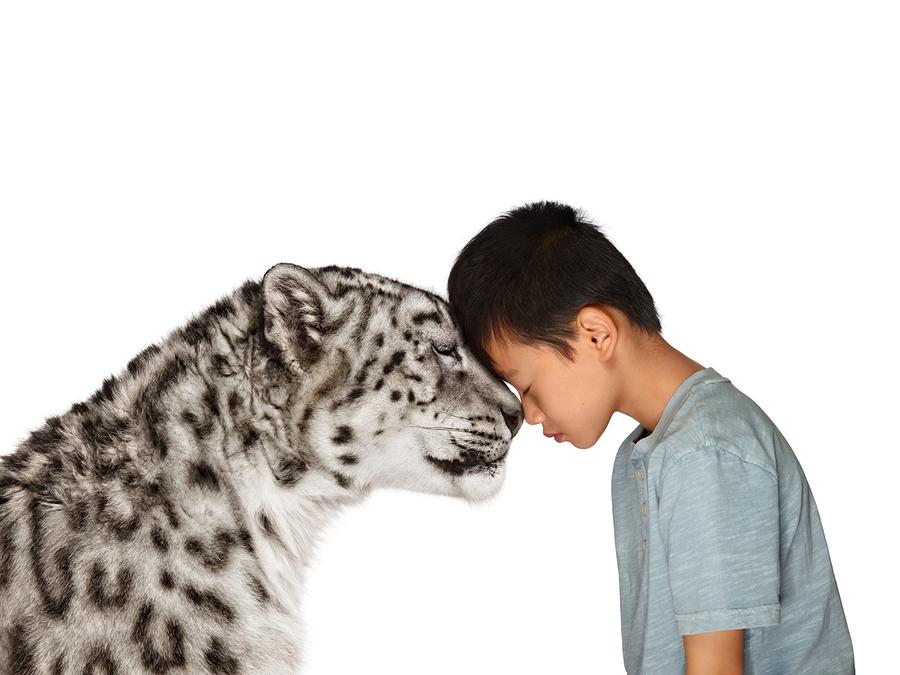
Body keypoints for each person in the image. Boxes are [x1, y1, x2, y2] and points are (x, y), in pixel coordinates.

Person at [446, 201, 854, 674]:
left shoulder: (705, 452)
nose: (530, 416)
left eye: (528, 387)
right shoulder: (650, 451)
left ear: (596, 334)